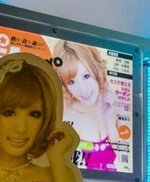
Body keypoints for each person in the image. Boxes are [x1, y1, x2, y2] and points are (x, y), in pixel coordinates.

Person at [51, 41, 120, 169]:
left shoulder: (108, 98)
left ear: (96, 70)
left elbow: (118, 147)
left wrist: (109, 118)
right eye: (71, 82)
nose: (83, 89)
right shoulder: (67, 119)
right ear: (64, 85)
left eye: (86, 76)